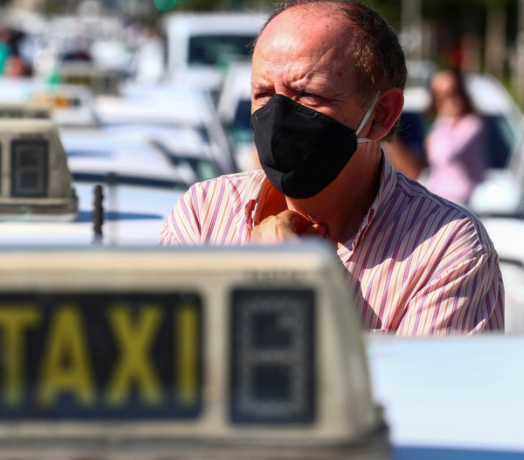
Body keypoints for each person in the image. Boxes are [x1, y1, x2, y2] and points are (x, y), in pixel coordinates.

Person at [160, 0, 504, 335]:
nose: (277, 117)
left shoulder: (446, 250)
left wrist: (292, 293)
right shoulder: (203, 214)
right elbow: (163, 381)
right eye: (263, 94)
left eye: (309, 95)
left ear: (381, 115)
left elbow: (418, 393)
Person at [425, 69, 487, 204]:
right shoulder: (440, 125)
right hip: (437, 198)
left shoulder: (472, 124)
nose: (449, 101)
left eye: (453, 93)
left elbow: (446, 154)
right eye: (441, 96)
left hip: (463, 201)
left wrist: (446, 120)